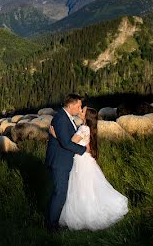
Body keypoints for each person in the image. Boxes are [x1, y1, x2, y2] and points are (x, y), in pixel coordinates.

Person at [50, 106, 129, 230]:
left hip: (81, 162)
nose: (80, 111)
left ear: (86, 116)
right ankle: (85, 213)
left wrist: (55, 135)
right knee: (85, 188)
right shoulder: (85, 128)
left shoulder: (83, 128)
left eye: (83, 111)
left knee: (81, 189)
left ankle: (85, 215)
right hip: (84, 160)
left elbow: (69, 143)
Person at [44, 93, 88, 232]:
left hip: (62, 159)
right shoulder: (62, 119)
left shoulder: (66, 118)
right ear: (71, 105)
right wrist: (83, 150)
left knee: (61, 192)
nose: (80, 108)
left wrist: (56, 137)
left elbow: (65, 139)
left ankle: (54, 221)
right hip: (60, 161)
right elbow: (67, 143)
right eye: (79, 105)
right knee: (60, 193)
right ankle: (52, 226)